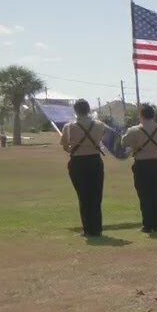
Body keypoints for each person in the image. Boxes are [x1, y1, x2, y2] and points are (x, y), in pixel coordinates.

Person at [121, 103, 157, 234]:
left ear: (141, 115)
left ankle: (147, 225)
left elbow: (123, 142)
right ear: (153, 115)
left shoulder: (133, 130)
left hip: (142, 165)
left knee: (144, 195)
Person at [60, 99, 108, 237]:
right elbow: (102, 138)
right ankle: (97, 228)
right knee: (96, 196)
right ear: (88, 109)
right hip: (95, 161)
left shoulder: (69, 127)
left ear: (75, 111)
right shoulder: (99, 125)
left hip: (78, 162)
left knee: (83, 196)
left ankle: (88, 229)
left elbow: (65, 146)